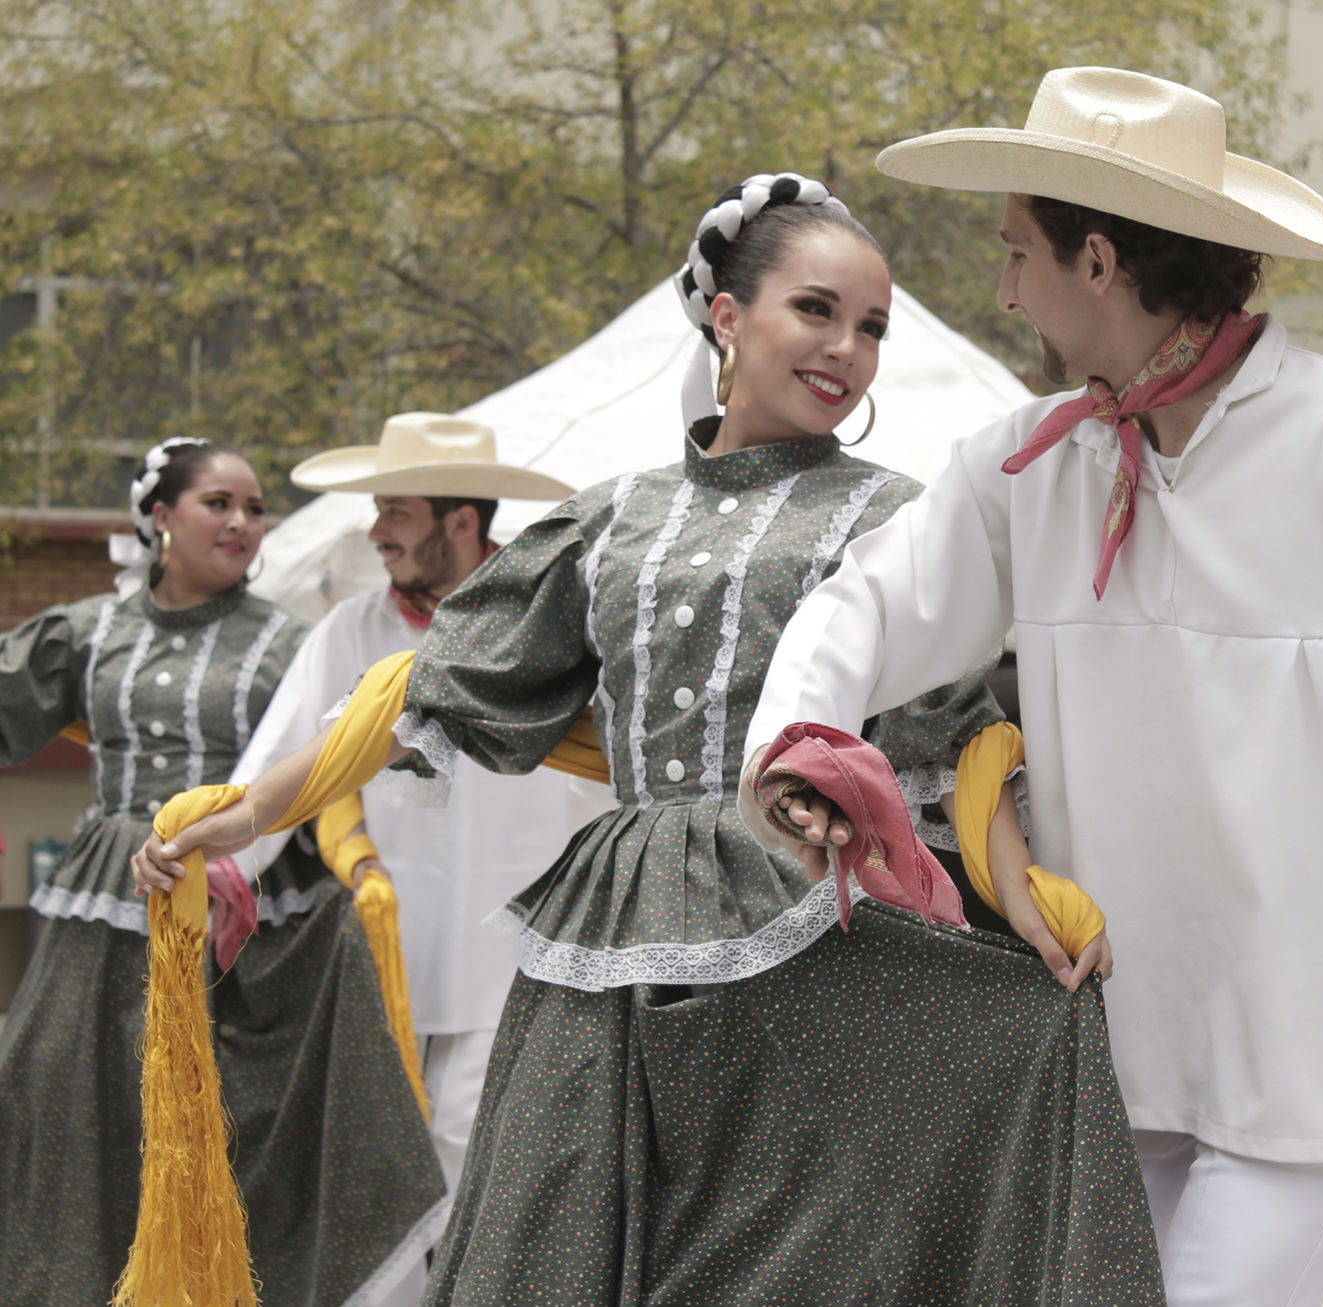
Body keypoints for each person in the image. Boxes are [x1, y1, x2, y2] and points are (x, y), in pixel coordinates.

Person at [134, 173, 1163, 1305]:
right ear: (727, 315)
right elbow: (415, 687)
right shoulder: (608, 515)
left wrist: (1025, 899)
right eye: (814, 310)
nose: (848, 349)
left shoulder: (899, 516)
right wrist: (236, 818)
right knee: (553, 1243)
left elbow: (963, 739)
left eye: (870, 325)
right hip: (616, 933)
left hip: (810, 919)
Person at [740, 68, 1323, 1307]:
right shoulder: (1028, 463)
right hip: (1126, 1026)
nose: (1003, 287)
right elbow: (862, 606)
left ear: (1096, 260)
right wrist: (800, 741)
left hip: (1315, 1034)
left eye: (1016, 252)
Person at [0, 438, 444, 1306]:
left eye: (254, 507)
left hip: (251, 911)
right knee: (61, 1102)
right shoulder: (87, 632)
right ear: (161, 518)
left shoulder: (292, 642)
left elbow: (349, 753)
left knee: (240, 1127)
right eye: (219, 503)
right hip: (106, 915)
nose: (243, 523)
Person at [227, 414, 605, 1301]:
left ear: (461, 521)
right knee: (381, 1168)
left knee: (482, 1156)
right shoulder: (353, 630)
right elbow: (284, 764)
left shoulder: (554, 621)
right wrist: (215, 866)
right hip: (389, 959)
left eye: (395, 509)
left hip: (517, 953)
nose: (376, 529)